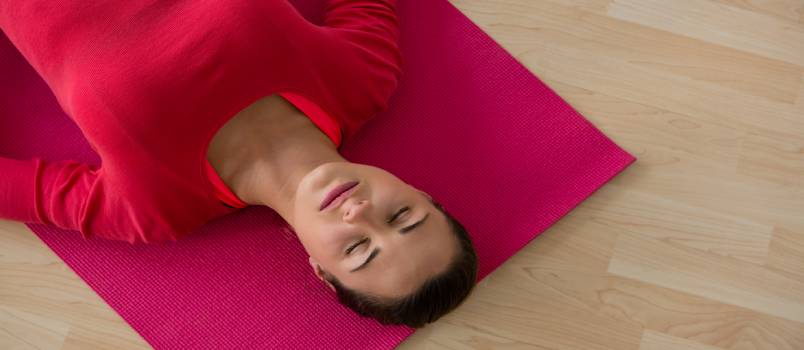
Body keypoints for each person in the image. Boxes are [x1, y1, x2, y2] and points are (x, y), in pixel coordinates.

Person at [0, 0, 477, 327]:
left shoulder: (155, 208)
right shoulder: (364, 80)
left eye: (357, 250)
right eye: (401, 216)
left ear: (321, 272)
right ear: (423, 194)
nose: (359, 213)